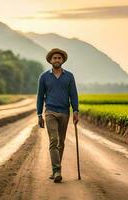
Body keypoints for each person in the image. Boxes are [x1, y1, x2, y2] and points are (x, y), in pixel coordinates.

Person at [36, 48, 79, 183]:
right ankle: (56, 171)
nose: (56, 60)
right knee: (53, 140)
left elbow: (73, 95)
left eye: (59, 58)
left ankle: (56, 168)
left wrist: (76, 111)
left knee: (61, 142)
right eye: (54, 58)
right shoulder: (44, 77)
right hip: (50, 112)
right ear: (50, 60)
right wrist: (39, 114)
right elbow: (39, 97)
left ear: (62, 60)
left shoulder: (69, 76)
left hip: (65, 112)